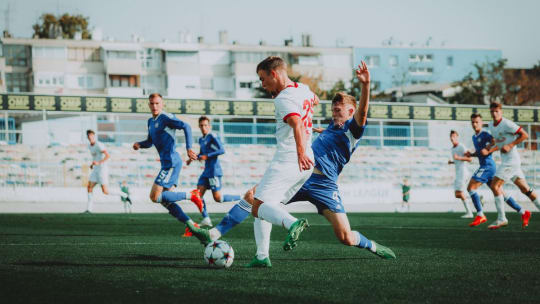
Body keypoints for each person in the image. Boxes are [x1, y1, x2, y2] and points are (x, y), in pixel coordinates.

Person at [193, 62, 396, 267]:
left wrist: (366, 85)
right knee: (257, 198)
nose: (334, 113)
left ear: (351, 111)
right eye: (333, 110)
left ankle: (372, 246)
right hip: (302, 174)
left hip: (325, 184)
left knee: (346, 237)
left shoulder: (354, 129)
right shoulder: (331, 126)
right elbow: (312, 107)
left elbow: (362, 113)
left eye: (339, 110)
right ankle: (227, 239)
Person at [191, 56, 316, 251]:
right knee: (261, 202)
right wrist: (309, 129)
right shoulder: (303, 89)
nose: (262, 84)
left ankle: (292, 223)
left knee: (257, 205)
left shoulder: (284, 99)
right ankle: (260, 255)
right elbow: (312, 103)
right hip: (307, 161)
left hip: (290, 158)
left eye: (263, 78)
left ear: (274, 74)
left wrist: (299, 151)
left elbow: (297, 123)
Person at [132, 93, 203, 234]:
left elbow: (187, 127)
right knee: (165, 200)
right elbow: (150, 142)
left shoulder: (165, 118)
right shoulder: (150, 122)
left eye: (157, 103)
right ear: (148, 104)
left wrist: (189, 147)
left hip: (171, 162)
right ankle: (191, 224)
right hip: (167, 163)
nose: (154, 106)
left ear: (162, 104)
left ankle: (192, 194)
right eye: (152, 103)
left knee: (154, 197)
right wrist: (139, 144)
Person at [465, 113, 525, 227]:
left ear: (481, 123)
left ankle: (480, 214)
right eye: (472, 122)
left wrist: (489, 151)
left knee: (471, 187)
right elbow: (480, 152)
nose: (474, 124)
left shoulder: (485, 134)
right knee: (500, 192)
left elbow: (496, 142)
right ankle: (523, 211)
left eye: (477, 122)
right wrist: (472, 154)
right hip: (488, 167)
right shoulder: (474, 137)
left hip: (487, 166)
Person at [485, 102, 536, 229]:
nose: (494, 113)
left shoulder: (507, 123)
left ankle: (502, 218)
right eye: (492, 111)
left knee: (494, 185)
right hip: (510, 162)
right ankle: (525, 213)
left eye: (497, 111)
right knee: (526, 190)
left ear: (501, 112)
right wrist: (490, 147)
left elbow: (525, 135)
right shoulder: (491, 125)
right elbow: (499, 141)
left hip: (511, 162)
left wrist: (511, 145)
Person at [187, 116, 241, 227]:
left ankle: (242, 197)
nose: (203, 127)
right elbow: (202, 153)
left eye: (206, 125)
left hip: (214, 172)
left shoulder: (212, 136)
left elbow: (221, 150)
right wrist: (193, 158)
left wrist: (207, 156)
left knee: (218, 198)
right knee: (197, 195)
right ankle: (206, 218)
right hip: (206, 171)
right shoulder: (201, 139)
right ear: (199, 126)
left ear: (209, 126)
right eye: (201, 125)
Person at [85, 129, 131, 213]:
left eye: (91, 136)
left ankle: (125, 195)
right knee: (89, 187)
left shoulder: (99, 145)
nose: (90, 137)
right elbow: (95, 158)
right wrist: (93, 164)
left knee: (105, 191)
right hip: (95, 170)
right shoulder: (89, 146)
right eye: (88, 136)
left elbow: (107, 156)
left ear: (94, 136)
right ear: (87, 137)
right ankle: (89, 209)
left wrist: (98, 162)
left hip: (102, 170)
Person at [448, 130, 474, 218]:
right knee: (457, 194)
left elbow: (470, 159)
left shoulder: (461, 146)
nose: (452, 138)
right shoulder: (452, 149)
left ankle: (469, 213)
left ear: (457, 137)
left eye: (454, 136)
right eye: (451, 136)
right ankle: (476, 198)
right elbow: (457, 161)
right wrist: (452, 162)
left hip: (463, 172)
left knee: (460, 192)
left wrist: (458, 157)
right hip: (458, 172)